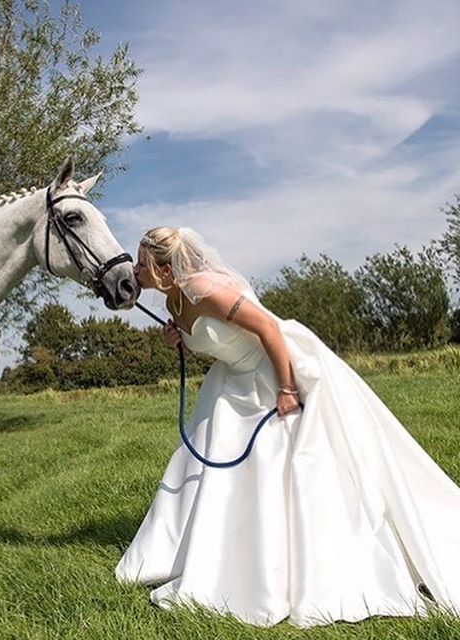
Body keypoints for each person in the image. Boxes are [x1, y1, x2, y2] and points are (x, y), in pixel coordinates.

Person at [115, 226, 460, 628]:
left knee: (297, 462)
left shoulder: (208, 288)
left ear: (167, 270)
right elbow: (221, 344)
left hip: (276, 369)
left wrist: (287, 389)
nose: (136, 271)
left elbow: (268, 329)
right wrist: (181, 339)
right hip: (233, 382)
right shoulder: (174, 301)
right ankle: (232, 554)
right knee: (223, 468)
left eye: (142, 264)